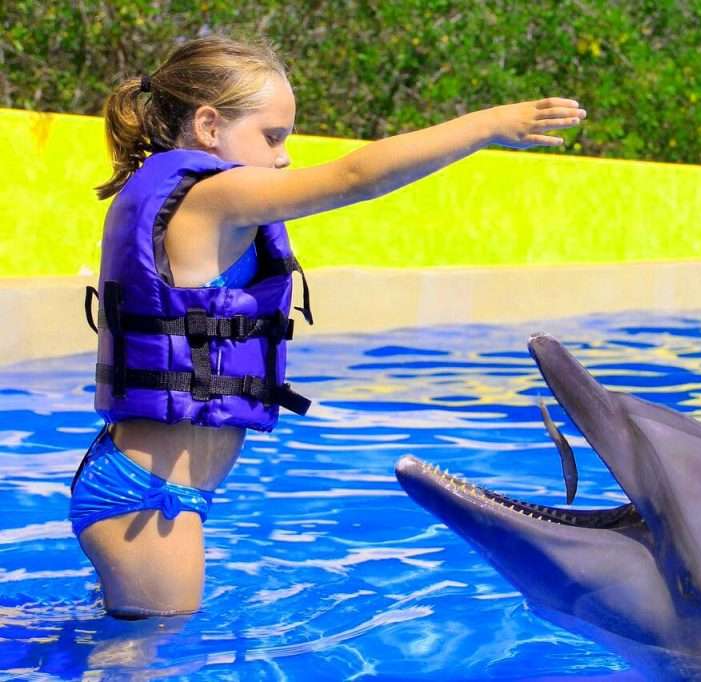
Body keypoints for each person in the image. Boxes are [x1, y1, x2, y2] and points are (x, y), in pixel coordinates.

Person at [70, 34, 586, 618]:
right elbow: (355, 176)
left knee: (115, 647)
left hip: (140, 486)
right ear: (209, 126)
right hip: (152, 502)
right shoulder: (213, 196)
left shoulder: (183, 195)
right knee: (144, 662)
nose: (285, 155)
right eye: (273, 137)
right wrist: (488, 125)